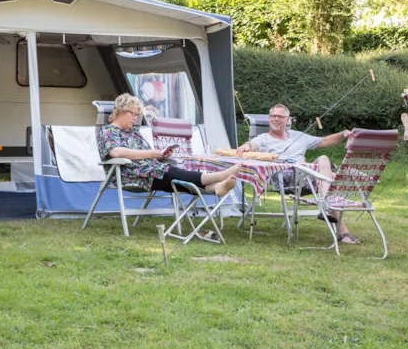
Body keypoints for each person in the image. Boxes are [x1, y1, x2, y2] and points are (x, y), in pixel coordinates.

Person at [236, 103, 359, 244]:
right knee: (329, 179)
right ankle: (343, 232)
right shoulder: (263, 138)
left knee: (324, 160)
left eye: (280, 116)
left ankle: (328, 209)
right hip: (286, 179)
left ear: (287, 120)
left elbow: (325, 141)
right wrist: (245, 146)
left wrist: (342, 134)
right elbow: (252, 145)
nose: (276, 119)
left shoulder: (298, 136)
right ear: (269, 119)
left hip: (308, 176)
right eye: (273, 116)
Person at [97, 93, 239, 198]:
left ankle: (216, 187)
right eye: (133, 114)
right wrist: (150, 154)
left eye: (137, 115)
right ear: (121, 111)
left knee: (175, 181)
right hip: (129, 175)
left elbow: (145, 156)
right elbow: (116, 152)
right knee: (173, 175)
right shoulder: (108, 131)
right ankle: (218, 176)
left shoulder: (133, 132)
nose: (135, 118)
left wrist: (160, 156)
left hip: (149, 172)